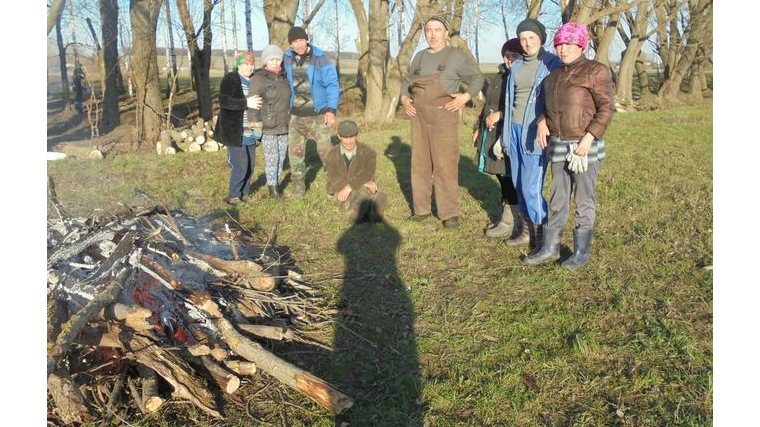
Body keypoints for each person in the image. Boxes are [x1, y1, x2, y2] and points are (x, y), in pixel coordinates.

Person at [523, 21, 614, 268]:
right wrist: (542, 121)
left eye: (570, 44)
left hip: (584, 147)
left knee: (584, 199)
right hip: (559, 145)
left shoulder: (596, 71)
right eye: (560, 44)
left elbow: (606, 108)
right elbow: (544, 107)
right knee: (557, 199)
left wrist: (588, 138)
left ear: (581, 45)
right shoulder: (552, 78)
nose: (563, 49)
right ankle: (550, 249)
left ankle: (580, 253)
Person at [400, 16, 484, 229]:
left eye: (438, 30)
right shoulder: (419, 57)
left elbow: (477, 78)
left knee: (445, 164)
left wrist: (464, 98)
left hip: (444, 115)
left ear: (446, 33)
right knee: (419, 164)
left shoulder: (455, 56)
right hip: (418, 117)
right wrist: (404, 98)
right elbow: (407, 82)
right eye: (429, 30)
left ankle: (449, 214)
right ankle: (421, 210)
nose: (433, 35)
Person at [501, 18, 562, 250]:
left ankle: (543, 234)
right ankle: (528, 232)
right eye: (523, 39)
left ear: (541, 39)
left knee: (530, 186)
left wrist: (545, 120)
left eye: (532, 38)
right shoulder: (515, 66)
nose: (527, 43)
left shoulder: (552, 64)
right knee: (518, 183)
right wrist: (506, 134)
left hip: (535, 131)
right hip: (514, 129)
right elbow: (509, 102)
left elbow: (557, 98)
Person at [472, 38, 523, 238]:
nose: (509, 59)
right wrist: (478, 127)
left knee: (508, 175)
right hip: (491, 132)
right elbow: (486, 106)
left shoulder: (521, 77)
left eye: (514, 55)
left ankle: (511, 220)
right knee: (500, 175)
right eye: (507, 55)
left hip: (510, 133)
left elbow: (523, 104)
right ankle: (509, 215)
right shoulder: (499, 76)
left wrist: (500, 115)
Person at [283, 26, 341, 198]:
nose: (299, 45)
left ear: (306, 40)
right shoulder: (286, 58)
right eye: (295, 42)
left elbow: (332, 84)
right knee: (295, 155)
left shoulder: (320, 58)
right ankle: (298, 188)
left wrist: (331, 110)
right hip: (296, 115)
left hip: (319, 114)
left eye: (301, 40)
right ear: (291, 44)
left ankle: (335, 186)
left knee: (326, 152)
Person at [214, 51, 263, 205]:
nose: (249, 67)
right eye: (246, 64)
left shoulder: (255, 80)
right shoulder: (231, 79)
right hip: (235, 132)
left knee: (250, 166)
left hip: (251, 132)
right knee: (240, 165)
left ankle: (244, 193)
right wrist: (245, 103)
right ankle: (234, 196)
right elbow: (224, 101)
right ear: (238, 65)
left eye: (252, 64)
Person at [249, 44, 292, 201]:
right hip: (267, 126)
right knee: (272, 158)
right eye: (271, 59)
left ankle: (276, 184)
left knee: (281, 158)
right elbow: (252, 103)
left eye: (277, 59)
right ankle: (273, 191)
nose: (275, 62)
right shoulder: (259, 78)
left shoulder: (285, 77)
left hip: (284, 125)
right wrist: (255, 123)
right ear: (265, 61)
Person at [324, 120, 388, 223]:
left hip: (363, 185)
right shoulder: (331, 155)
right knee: (346, 196)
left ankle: (361, 209)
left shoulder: (368, 151)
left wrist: (351, 186)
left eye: (352, 137)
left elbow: (368, 173)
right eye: (345, 137)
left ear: (357, 135)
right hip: (340, 187)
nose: (349, 141)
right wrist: (352, 186)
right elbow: (335, 179)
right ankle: (370, 209)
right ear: (339, 136)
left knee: (362, 191)